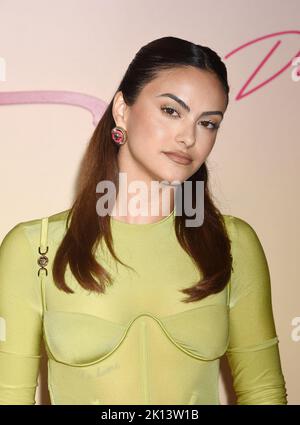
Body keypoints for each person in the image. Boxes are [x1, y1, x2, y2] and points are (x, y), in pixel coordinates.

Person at [0, 36, 288, 405]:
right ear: (122, 110)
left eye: (209, 123)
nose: (188, 137)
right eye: (171, 111)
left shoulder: (233, 244)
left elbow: (263, 392)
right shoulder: (35, 249)